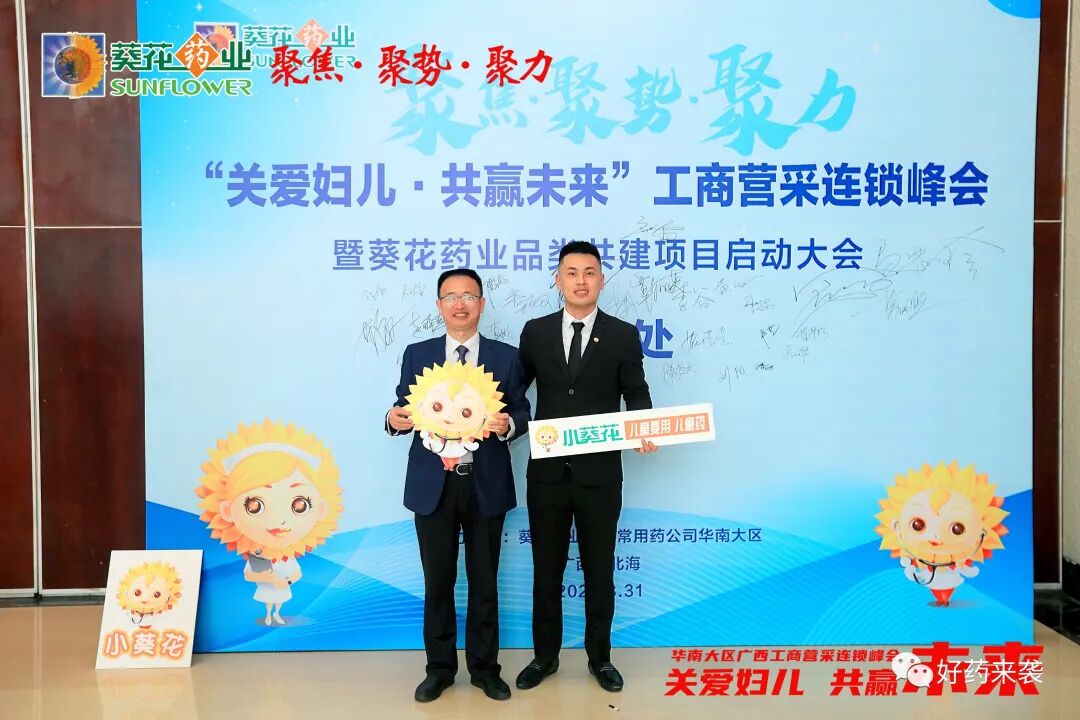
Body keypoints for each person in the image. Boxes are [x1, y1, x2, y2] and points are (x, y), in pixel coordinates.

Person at [515, 241, 657, 693]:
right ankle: (545, 657)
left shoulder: (622, 334)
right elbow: (516, 391)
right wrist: (494, 420)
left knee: (599, 571)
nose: (581, 280)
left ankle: (601, 658)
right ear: (558, 280)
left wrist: (643, 425)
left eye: (589, 272)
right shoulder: (535, 331)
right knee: (546, 571)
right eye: (572, 272)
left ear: (602, 279)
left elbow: (635, 390)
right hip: (547, 476)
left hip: (600, 476)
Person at [386, 268, 530, 703]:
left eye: (469, 296)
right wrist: (392, 419)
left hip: (484, 482)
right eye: (451, 296)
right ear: (439, 305)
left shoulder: (506, 357)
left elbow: (521, 411)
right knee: (438, 582)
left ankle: (485, 669)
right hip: (433, 485)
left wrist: (509, 425)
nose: (460, 304)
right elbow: (402, 406)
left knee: (485, 581)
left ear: (482, 304)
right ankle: (440, 669)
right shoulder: (418, 354)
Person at [195, 419, 344, 627]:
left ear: (321, 508)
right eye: (255, 505)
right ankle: (268, 615)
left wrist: (284, 581)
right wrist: (265, 578)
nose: (279, 520)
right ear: (227, 511)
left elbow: (296, 573)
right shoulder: (257, 557)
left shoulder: (286, 557)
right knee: (268, 602)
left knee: (279, 602)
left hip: (281, 588)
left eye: (299, 505)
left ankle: (277, 614)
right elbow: (248, 575)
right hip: (264, 588)